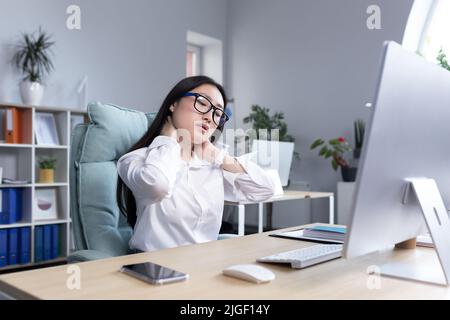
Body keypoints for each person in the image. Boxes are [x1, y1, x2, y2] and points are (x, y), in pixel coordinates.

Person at [116, 75, 275, 252]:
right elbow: (157, 185)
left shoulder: (211, 164)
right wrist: (168, 138)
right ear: (173, 104)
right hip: (155, 266)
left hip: (205, 264)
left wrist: (216, 155)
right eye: (202, 103)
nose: (209, 117)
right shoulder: (136, 159)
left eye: (218, 113)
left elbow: (266, 189)